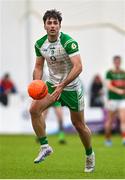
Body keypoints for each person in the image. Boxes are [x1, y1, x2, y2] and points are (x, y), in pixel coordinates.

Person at [29, 9, 95, 172]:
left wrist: (62, 85)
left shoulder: (68, 42)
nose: (52, 26)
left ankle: (89, 154)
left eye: (55, 23)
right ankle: (45, 146)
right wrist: (37, 82)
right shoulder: (39, 44)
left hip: (71, 87)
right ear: (44, 25)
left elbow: (78, 67)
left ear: (59, 26)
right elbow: (38, 66)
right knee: (34, 110)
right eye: (49, 23)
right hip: (52, 84)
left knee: (78, 125)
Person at [105, 56, 125, 146]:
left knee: (123, 120)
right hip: (112, 99)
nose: (117, 63)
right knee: (110, 120)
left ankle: (124, 138)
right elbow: (108, 86)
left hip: (121, 100)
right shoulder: (110, 73)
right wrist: (118, 90)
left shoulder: (123, 73)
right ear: (114, 62)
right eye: (116, 62)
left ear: (120, 62)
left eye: (119, 62)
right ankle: (108, 139)